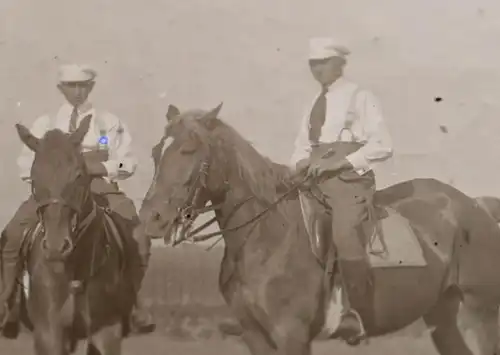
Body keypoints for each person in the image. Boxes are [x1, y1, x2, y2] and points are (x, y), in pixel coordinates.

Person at [0, 64, 155, 334]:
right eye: (71, 86)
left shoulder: (108, 122)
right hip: (54, 190)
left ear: (91, 87)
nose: (77, 91)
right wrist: (48, 179)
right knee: (13, 234)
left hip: (98, 185)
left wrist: (99, 169)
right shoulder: (45, 123)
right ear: (62, 89)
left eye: (82, 85)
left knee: (138, 234)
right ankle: (7, 301)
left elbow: (127, 162)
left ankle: (134, 303)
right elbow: (26, 164)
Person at [290, 37, 393, 344]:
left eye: (323, 62)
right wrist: (299, 164)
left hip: (349, 183)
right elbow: (300, 147)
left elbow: (383, 145)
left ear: (340, 63)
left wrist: (340, 163)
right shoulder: (312, 104)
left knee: (344, 233)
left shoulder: (361, 97)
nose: (317, 69)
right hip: (313, 182)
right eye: (313, 64)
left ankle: (357, 314)